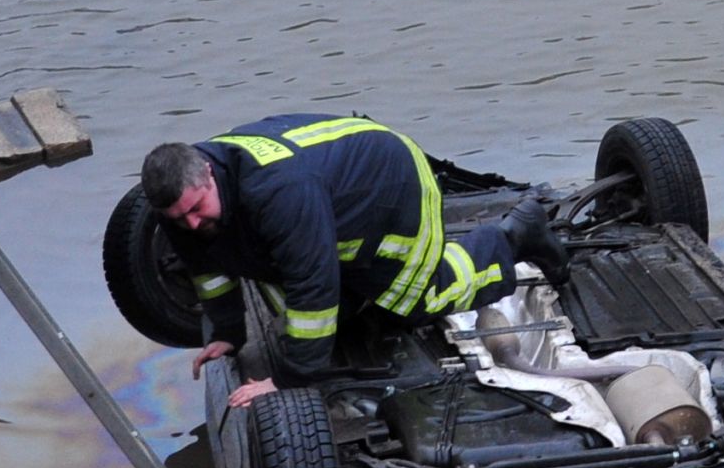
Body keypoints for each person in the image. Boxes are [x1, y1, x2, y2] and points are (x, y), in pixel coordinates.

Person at [140, 113, 568, 407]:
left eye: (197, 209)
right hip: (330, 190)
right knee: (312, 309)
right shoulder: (187, 200)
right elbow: (209, 270)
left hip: (388, 185)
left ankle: (514, 237)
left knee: (418, 301)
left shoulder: (278, 195)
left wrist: (287, 379)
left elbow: (314, 282)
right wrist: (227, 333)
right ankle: (361, 296)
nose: (192, 224)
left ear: (209, 175)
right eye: (179, 218)